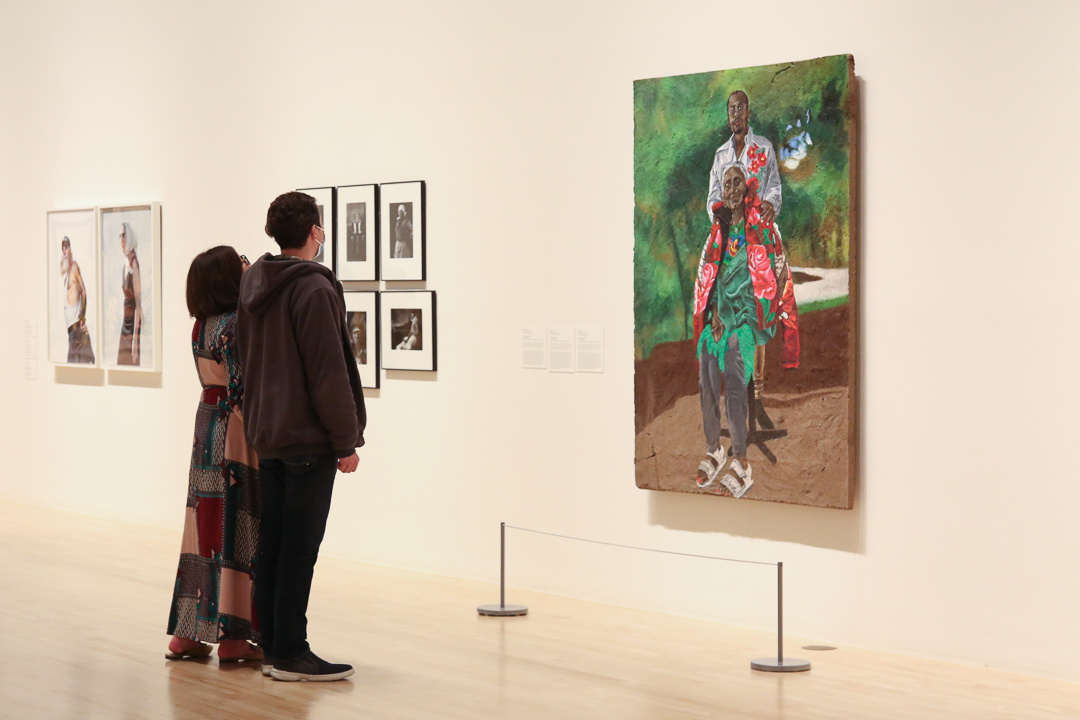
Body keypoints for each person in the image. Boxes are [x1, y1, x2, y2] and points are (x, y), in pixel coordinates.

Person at [238, 191, 366, 682]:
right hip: (307, 441)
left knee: (274, 543)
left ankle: (272, 644)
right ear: (315, 230)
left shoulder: (255, 283)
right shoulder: (312, 289)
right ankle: (291, 650)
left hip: (268, 433)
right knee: (299, 548)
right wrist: (345, 441)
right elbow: (327, 372)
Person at [166, 246, 262, 663]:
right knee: (237, 527)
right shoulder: (235, 326)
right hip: (234, 431)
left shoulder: (200, 325)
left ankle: (188, 633)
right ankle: (234, 637)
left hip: (206, 424)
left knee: (203, 530)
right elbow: (242, 391)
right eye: (240, 260)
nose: (247, 263)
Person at [693, 165, 790, 498]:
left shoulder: (760, 226)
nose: (732, 189)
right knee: (705, 363)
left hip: (748, 318)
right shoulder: (717, 233)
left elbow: (779, 265)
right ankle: (713, 449)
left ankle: (742, 463)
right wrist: (716, 314)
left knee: (734, 369)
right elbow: (710, 276)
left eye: (737, 183)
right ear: (722, 192)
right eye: (726, 184)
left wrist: (767, 304)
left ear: (746, 189)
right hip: (724, 316)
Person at [705, 90, 800, 394]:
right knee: (710, 286)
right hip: (729, 234)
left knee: (767, 295)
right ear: (727, 115)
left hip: (758, 233)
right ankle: (729, 376)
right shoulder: (720, 156)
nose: (736, 114)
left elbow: (774, 188)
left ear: (748, 112)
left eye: (740, 108)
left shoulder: (765, 149)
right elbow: (711, 199)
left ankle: (757, 385)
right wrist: (721, 217)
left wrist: (770, 204)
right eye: (731, 109)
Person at [60, 237, 95, 364]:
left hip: (76, 329)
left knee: (74, 367)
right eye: (63, 248)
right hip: (71, 331)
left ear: (70, 248)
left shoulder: (74, 267)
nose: (65, 251)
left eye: (67, 247)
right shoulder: (67, 273)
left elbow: (84, 292)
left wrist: (82, 318)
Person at [116, 221, 142, 365]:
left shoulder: (134, 263)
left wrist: (135, 341)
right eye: (120, 236)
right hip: (126, 321)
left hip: (132, 325)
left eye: (124, 236)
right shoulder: (126, 263)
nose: (122, 240)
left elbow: (138, 304)